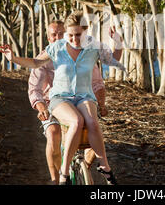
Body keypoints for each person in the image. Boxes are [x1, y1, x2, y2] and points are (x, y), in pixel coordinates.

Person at [0, 11, 124, 185]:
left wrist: (117, 41)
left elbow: (114, 60)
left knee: (93, 122)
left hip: (84, 96)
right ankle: (62, 173)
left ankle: (105, 168)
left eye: (78, 35)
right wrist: (13, 58)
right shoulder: (55, 49)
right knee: (75, 122)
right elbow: (35, 63)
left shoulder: (93, 48)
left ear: (85, 33)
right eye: (70, 35)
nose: (74, 39)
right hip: (59, 98)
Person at [28, 20, 107, 185]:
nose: (57, 38)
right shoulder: (45, 56)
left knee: (93, 129)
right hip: (53, 103)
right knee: (53, 133)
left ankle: (84, 168)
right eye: (53, 35)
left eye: (61, 34)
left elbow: (97, 83)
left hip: (80, 100)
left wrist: (102, 104)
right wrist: (41, 108)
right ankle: (56, 179)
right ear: (48, 37)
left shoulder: (83, 53)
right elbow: (34, 89)